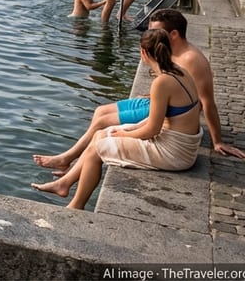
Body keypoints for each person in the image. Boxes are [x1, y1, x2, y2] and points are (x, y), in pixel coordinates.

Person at [33, 8, 245, 171]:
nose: (151, 34)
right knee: (100, 111)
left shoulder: (191, 60)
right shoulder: (169, 51)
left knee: (102, 122)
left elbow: (206, 101)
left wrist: (217, 141)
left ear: (173, 34)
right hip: (157, 101)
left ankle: (68, 159)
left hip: (167, 113)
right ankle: (75, 159)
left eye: (156, 31)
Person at [31, 28, 203, 209]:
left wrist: (122, 133)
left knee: (96, 149)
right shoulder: (181, 71)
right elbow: (165, 119)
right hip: (182, 144)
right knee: (99, 134)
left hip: (174, 153)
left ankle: (76, 206)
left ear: (143, 53)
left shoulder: (162, 83)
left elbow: (152, 129)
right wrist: (124, 130)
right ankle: (64, 183)